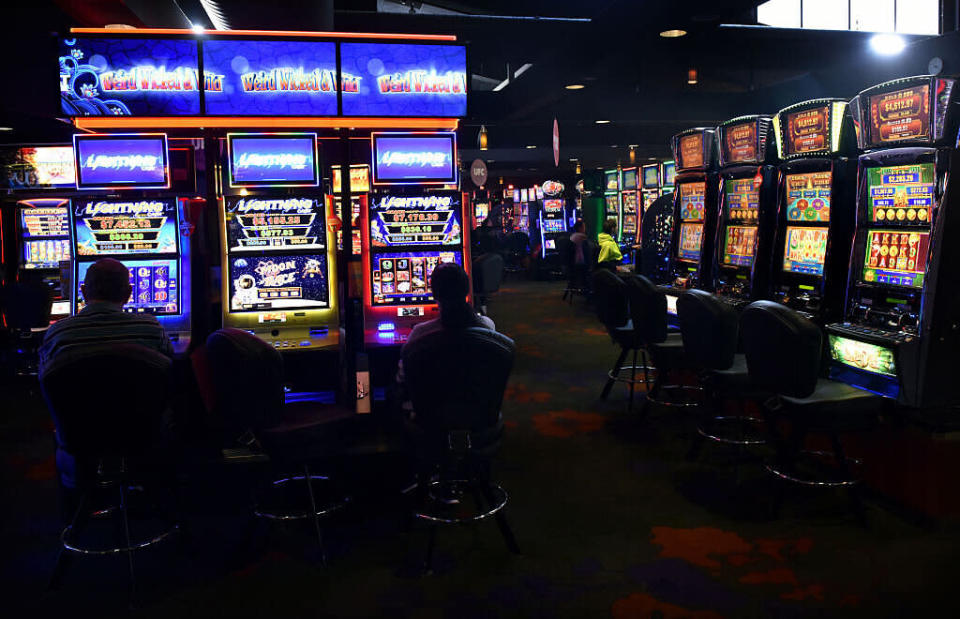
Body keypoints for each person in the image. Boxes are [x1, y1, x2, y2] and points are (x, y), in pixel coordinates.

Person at [39, 258, 174, 374]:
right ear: (128, 294)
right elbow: (171, 366)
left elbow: (45, 376)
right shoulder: (152, 329)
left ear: (84, 292)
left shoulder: (57, 333)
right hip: (142, 403)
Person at [395, 262, 495, 418]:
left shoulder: (420, 333)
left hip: (431, 414)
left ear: (434, 294)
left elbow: (404, 376)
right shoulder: (487, 327)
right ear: (467, 290)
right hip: (476, 409)